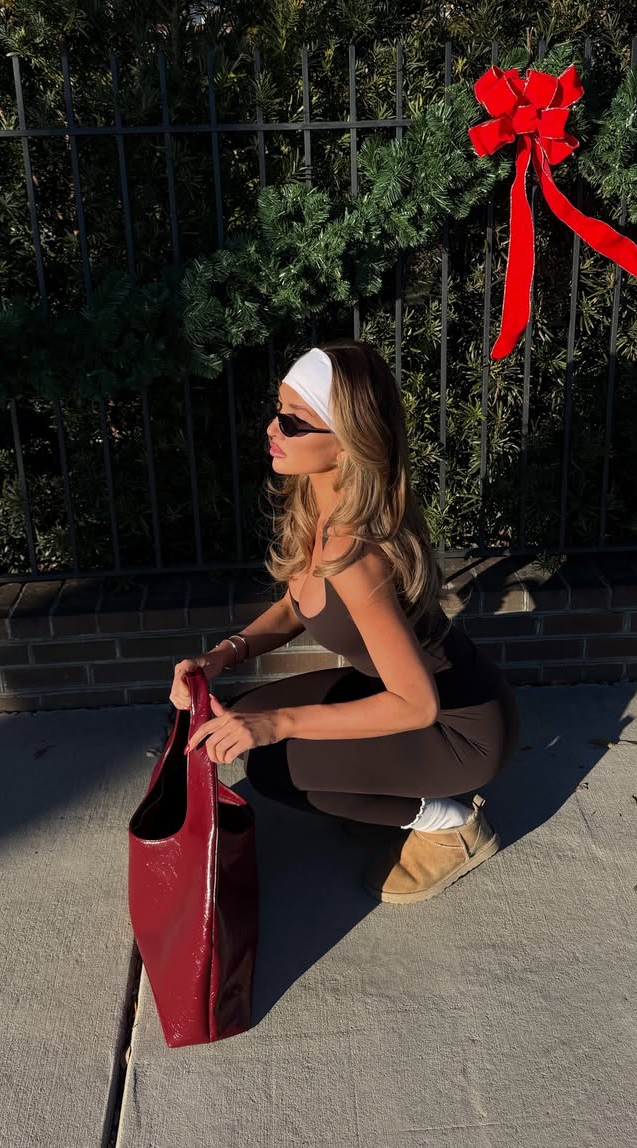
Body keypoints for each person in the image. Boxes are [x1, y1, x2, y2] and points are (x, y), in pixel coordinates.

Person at [168, 339, 520, 904]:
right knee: (248, 721)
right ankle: (380, 793)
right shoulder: (317, 503)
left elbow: (417, 706)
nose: (272, 429)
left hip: (458, 731)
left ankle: (452, 827)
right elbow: (297, 605)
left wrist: (279, 724)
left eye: (293, 420)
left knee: (274, 767)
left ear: (348, 441)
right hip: (408, 697)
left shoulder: (356, 554)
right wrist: (223, 655)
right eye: (277, 411)